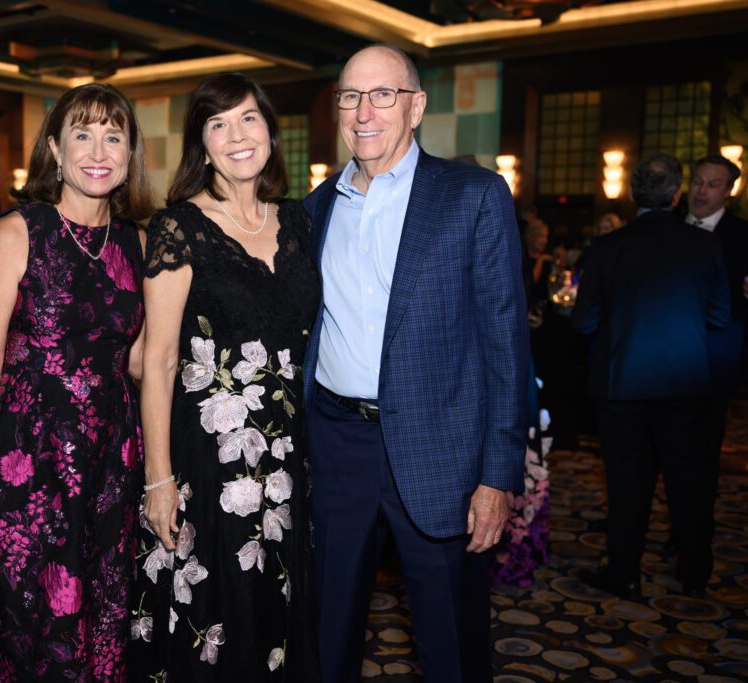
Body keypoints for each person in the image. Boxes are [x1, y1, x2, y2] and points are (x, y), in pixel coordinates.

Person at [302, 45, 528, 682]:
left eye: (383, 95)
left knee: (451, 640)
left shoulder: (473, 196)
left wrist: (497, 475)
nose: (364, 112)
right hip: (336, 444)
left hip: (441, 451)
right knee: (326, 632)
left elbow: (506, 345)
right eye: (351, 97)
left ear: (417, 107)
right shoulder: (314, 209)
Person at [0, 82, 152, 681]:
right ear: (54, 148)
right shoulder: (19, 232)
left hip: (111, 462)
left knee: (103, 614)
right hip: (29, 460)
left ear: (130, 154)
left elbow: (142, 362)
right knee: (28, 623)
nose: (97, 151)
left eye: (113, 137)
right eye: (82, 135)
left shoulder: (138, 243)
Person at [131, 73, 320, 681]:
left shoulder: (299, 223)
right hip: (210, 462)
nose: (237, 135)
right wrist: (159, 478)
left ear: (270, 132)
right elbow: (158, 360)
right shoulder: (179, 228)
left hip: (290, 457)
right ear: (202, 145)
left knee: (276, 607)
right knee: (220, 611)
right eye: (218, 124)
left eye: (248, 118)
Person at [572, 154, 730, 599]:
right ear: (677, 195)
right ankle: (695, 573)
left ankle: (625, 572)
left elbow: (583, 323)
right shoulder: (704, 246)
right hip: (685, 383)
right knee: (689, 482)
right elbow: (720, 316)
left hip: (622, 385)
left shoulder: (607, 248)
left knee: (627, 484)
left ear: (631, 193)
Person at [686, 155, 748, 464]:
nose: (702, 191)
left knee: (704, 446)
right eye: (698, 182)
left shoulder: (742, 236)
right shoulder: (666, 226)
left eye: (713, 184)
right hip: (662, 357)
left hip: (716, 357)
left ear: (728, 191)